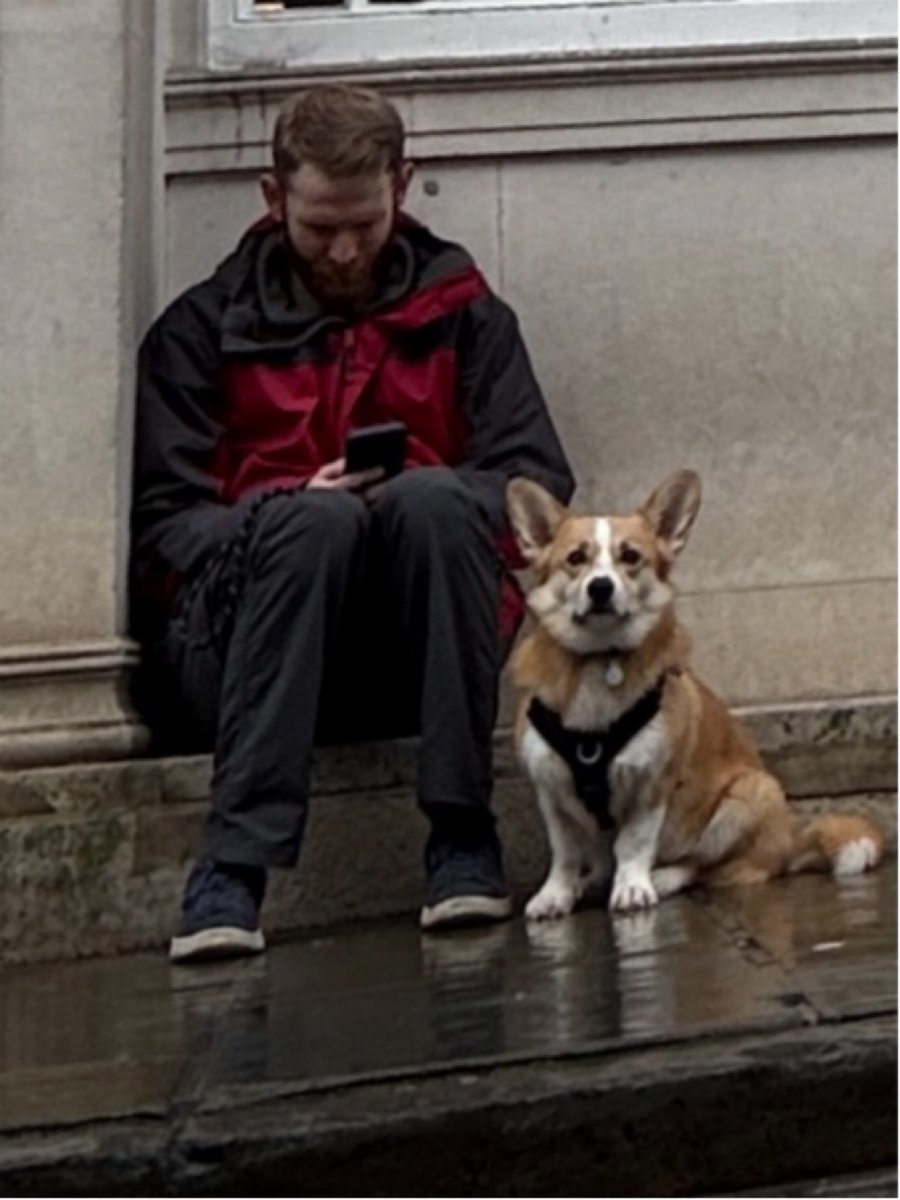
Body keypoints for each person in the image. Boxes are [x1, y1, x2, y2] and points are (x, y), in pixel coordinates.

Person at [130, 84, 574, 963]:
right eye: (318, 226)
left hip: (420, 644)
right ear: (273, 198)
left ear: (402, 186)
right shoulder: (197, 331)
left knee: (435, 498)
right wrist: (287, 506)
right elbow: (162, 531)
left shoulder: (467, 315)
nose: (341, 250)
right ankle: (231, 870)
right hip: (244, 651)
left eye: (364, 226)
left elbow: (539, 494)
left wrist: (409, 484)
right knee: (311, 527)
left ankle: (462, 834)